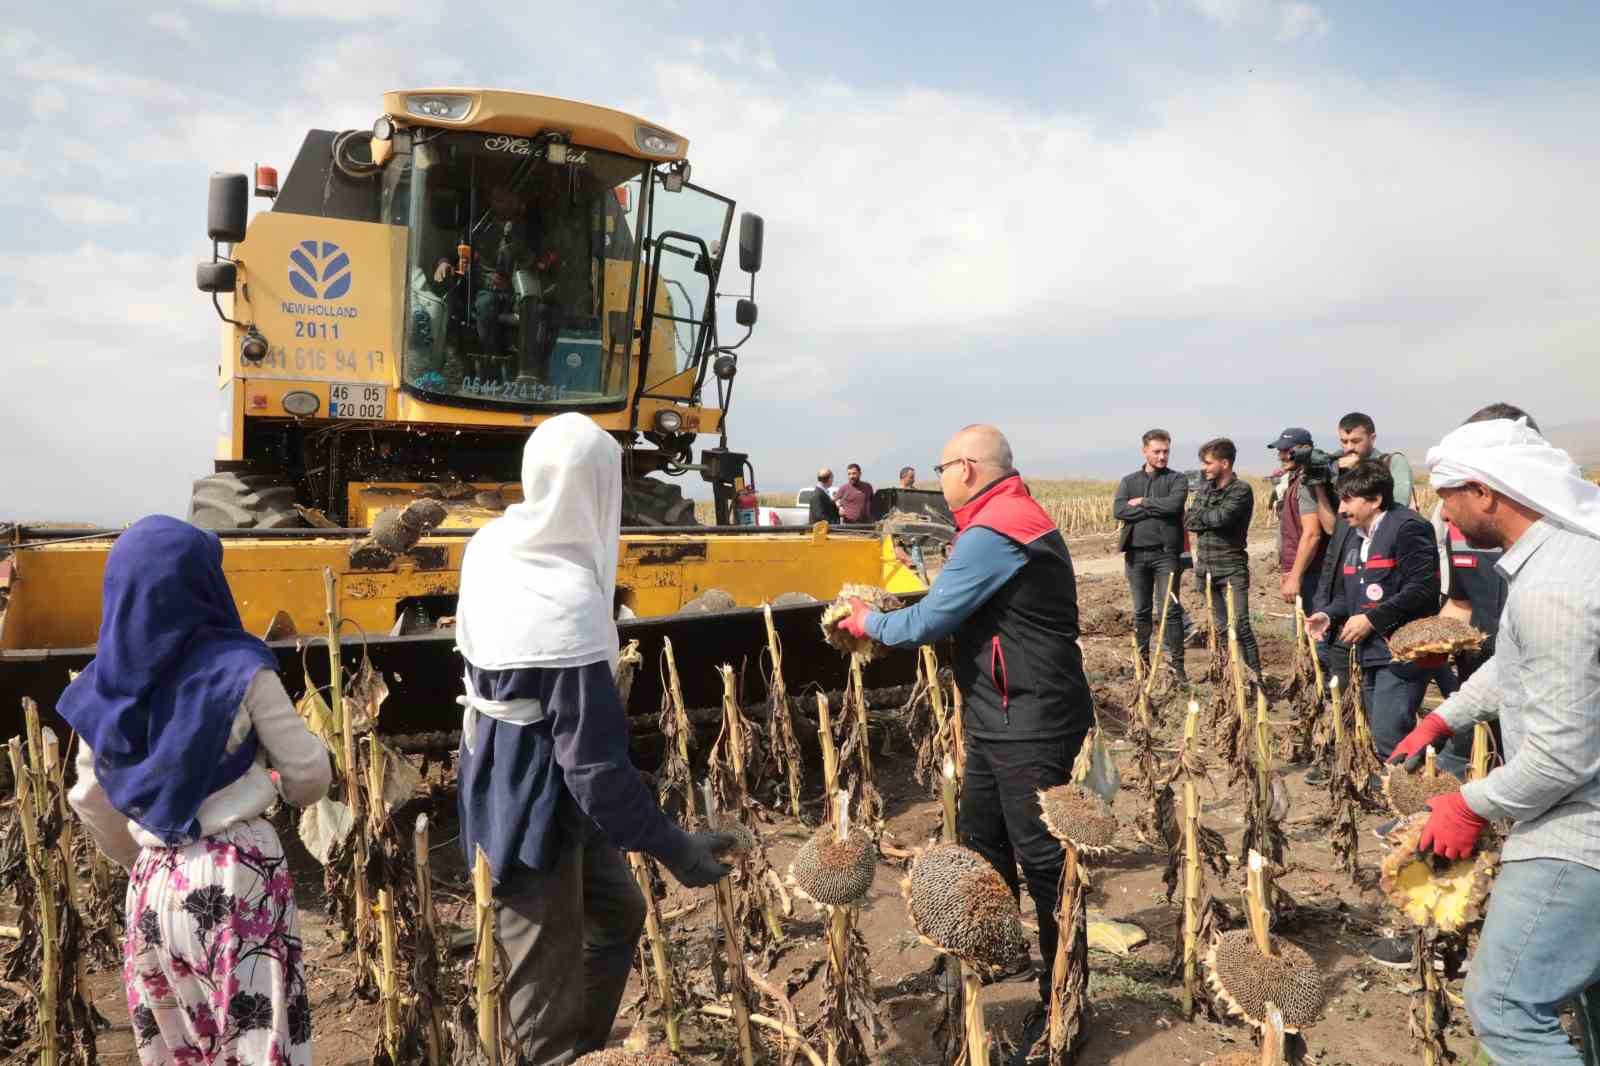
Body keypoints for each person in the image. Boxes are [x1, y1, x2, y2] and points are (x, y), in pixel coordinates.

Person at [454, 413, 737, 1064]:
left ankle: (582, 1048)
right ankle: (554, 1050)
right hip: (531, 811)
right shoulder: (566, 597)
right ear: (600, 490)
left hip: (511, 774)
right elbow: (595, 771)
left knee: (617, 914)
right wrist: (676, 848)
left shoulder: (492, 545)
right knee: (535, 1016)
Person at [835, 424, 1093, 1060]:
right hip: (1001, 712)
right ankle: (992, 951)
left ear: (969, 469)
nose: (937, 477)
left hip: (1027, 716)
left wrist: (868, 621)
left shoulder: (995, 528)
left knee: (1041, 860)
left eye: (942, 466)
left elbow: (931, 619)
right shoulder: (1003, 519)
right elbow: (959, 603)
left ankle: (1065, 999)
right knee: (982, 837)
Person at [61, 516, 332, 1066]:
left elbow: (90, 798)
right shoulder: (242, 669)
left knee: (174, 1050)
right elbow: (309, 775)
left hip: (151, 885)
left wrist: (146, 852)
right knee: (257, 1049)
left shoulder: (101, 689)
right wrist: (275, 787)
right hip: (237, 876)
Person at [1384, 415, 1600, 1064]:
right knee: (1585, 998)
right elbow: (1515, 664)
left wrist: (1469, 802)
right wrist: (1445, 717)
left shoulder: (1555, 588)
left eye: (1447, 493)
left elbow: (1564, 754)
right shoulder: (1563, 557)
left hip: (1577, 828)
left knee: (1505, 1006)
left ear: (1486, 492)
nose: (1441, 513)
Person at [1306, 460, 1443, 767]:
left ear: (1376, 499)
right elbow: (1349, 595)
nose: (1340, 510)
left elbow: (1422, 588)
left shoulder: (1409, 528)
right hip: (1371, 653)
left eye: (1348, 499)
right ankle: (1399, 791)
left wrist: (1371, 619)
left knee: (1388, 733)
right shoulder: (1357, 538)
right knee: (1380, 730)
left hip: (1404, 651)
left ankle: (1413, 800)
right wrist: (1328, 615)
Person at [1114, 429, 1189, 681]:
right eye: (1156, 451)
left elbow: (1174, 506)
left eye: (1166, 451)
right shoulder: (1128, 480)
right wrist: (1157, 507)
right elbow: (1120, 511)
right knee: (1141, 612)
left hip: (1166, 555)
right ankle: (1142, 666)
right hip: (1135, 556)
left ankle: (1178, 668)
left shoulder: (1177, 480)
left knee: (1169, 610)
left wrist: (1144, 502)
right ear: (1144, 451)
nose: (1162, 456)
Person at [1184, 437, 1261, 675]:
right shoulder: (1206, 488)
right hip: (1206, 571)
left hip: (1231, 570)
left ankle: (1256, 679)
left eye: (1208, 463)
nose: (1204, 468)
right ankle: (1230, 678)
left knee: (1240, 625)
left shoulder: (1241, 490)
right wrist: (1205, 516)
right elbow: (1189, 520)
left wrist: (1203, 516)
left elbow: (1222, 519)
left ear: (1224, 463)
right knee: (1219, 628)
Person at [1270, 427, 1329, 611]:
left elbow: (1312, 534)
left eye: (1287, 450)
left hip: (1314, 572)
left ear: (1305, 449)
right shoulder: (1295, 480)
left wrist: (1295, 576)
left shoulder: (1307, 482)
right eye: (1280, 451)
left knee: (1316, 632)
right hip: (1305, 570)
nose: (1281, 456)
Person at [1336, 411, 1413, 509]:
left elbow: (1399, 505)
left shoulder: (1393, 463)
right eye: (1344, 441)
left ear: (1372, 438)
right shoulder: (1336, 465)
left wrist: (1361, 468)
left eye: (1355, 441)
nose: (1349, 447)